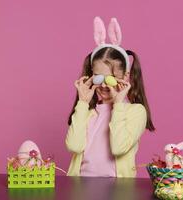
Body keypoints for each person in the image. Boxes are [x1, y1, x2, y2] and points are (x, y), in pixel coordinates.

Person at [65, 16, 155, 178]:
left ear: (126, 77)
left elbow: (118, 148)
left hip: (117, 189)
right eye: (99, 78)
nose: (105, 85)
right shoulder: (87, 111)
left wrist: (118, 104)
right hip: (80, 186)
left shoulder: (136, 111)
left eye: (110, 78)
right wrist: (82, 103)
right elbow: (74, 146)